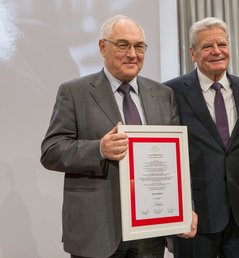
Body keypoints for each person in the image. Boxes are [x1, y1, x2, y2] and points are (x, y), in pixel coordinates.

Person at [40, 15, 196, 258]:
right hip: (97, 231)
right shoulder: (74, 92)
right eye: (123, 44)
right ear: (103, 47)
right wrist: (99, 150)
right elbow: (52, 151)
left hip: (150, 231)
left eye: (139, 46)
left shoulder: (163, 94)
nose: (132, 53)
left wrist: (186, 208)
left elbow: (176, 161)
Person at [163, 17, 239, 258]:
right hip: (194, 217)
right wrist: (179, 208)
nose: (217, 51)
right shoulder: (170, 92)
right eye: (207, 46)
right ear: (193, 53)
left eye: (222, 44)